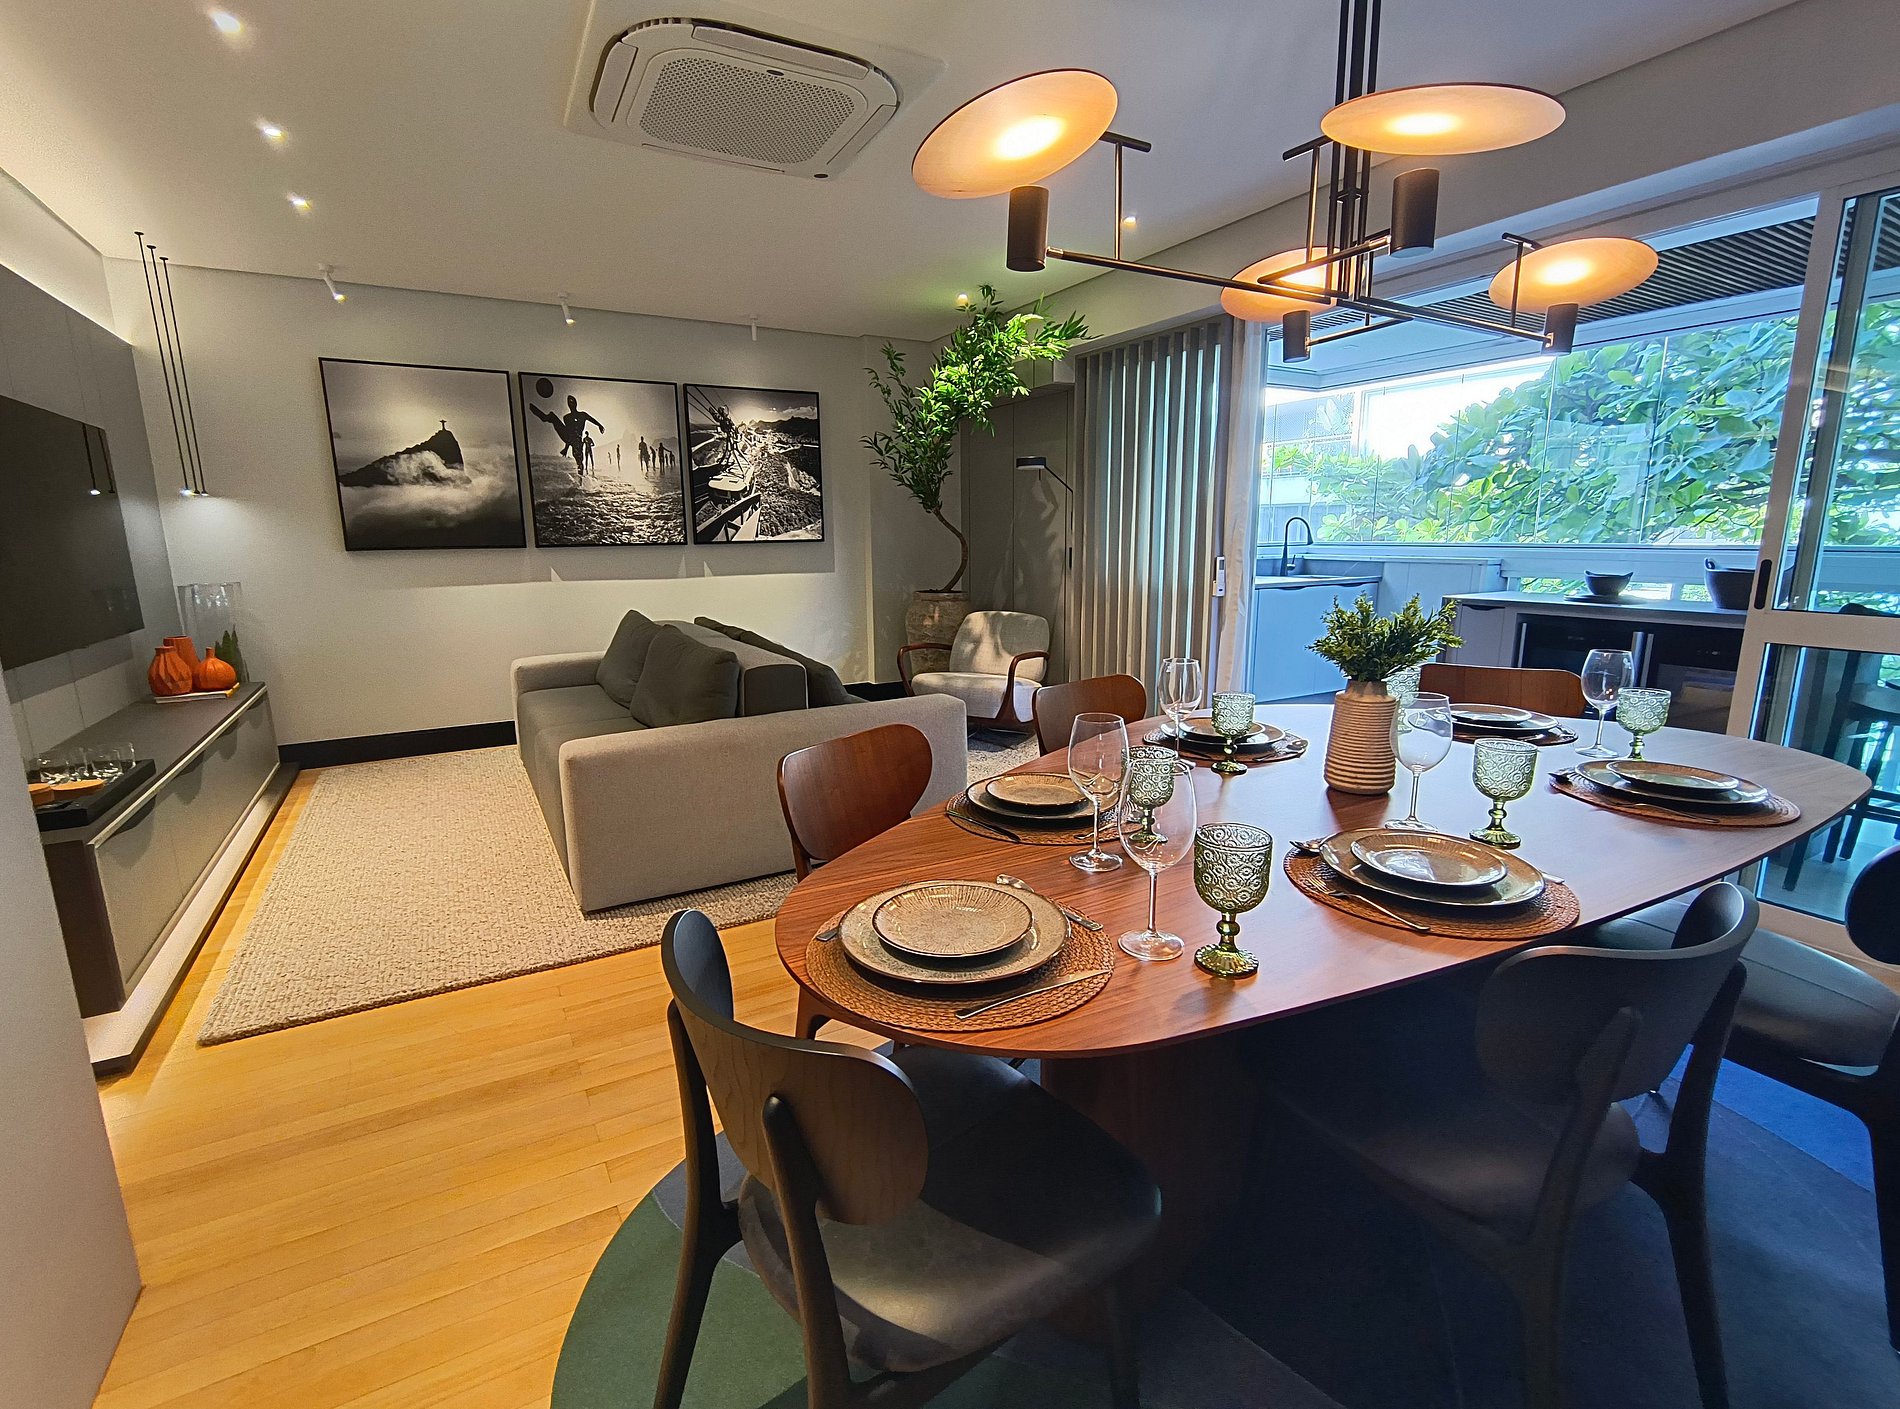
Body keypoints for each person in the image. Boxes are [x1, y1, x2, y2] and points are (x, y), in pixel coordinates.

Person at [528, 394, 605, 483]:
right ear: (568, 405)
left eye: (572, 402)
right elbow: (569, 432)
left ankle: (580, 482)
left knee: (580, 462)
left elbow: (591, 419)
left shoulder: (582, 415)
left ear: (576, 403)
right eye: (569, 403)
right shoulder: (567, 418)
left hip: (577, 442)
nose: (571, 404)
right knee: (552, 416)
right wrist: (566, 448)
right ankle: (542, 415)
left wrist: (599, 425)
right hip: (568, 437)